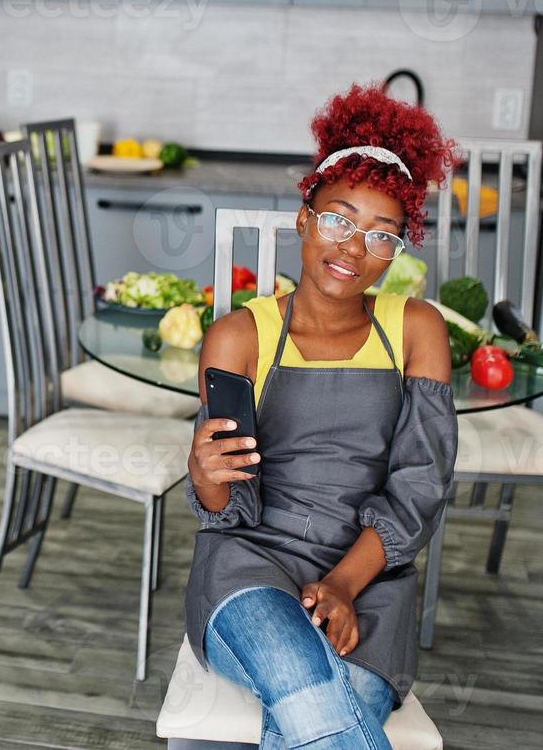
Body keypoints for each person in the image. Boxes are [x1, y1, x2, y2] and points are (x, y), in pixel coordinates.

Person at [185, 83, 459, 749]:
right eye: (339, 218)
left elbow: (421, 486)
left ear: (398, 250)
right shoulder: (238, 336)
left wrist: (340, 584)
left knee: (310, 721)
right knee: (306, 691)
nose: (352, 247)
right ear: (302, 219)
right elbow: (229, 506)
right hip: (248, 575)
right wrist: (203, 473)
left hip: (371, 586)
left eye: (380, 235)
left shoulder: (417, 328)